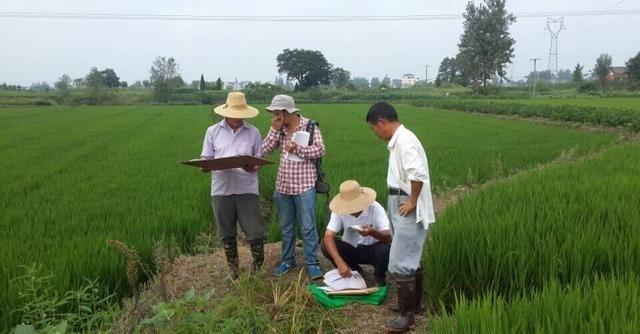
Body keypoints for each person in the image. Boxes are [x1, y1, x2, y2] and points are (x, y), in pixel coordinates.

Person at [366, 102, 435, 333]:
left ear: (382, 122)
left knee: (401, 259)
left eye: (373, 128)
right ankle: (414, 306)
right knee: (409, 256)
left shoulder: (405, 141)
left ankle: (407, 316)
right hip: (398, 201)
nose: (374, 133)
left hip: (407, 202)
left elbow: (417, 174)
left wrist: (413, 200)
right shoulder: (397, 142)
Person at [200, 92, 265, 279]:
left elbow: (258, 161)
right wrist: (205, 166)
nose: (238, 118)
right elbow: (206, 157)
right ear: (226, 113)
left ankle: (258, 266)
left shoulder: (253, 132)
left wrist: (252, 165)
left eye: (241, 114)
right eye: (235, 114)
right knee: (226, 232)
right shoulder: (212, 132)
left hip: (247, 188)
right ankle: (233, 270)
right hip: (221, 188)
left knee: (254, 230)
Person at [262, 95, 325, 279]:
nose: (275, 116)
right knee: (286, 227)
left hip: (304, 186)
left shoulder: (310, 126)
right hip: (283, 187)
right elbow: (263, 149)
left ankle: (312, 263)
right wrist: (273, 130)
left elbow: (320, 149)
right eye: (274, 113)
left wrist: (297, 148)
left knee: (307, 226)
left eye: (277, 112)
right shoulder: (278, 130)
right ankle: (287, 260)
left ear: (287, 112)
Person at [321, 180, 391, 286]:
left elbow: (388, 236)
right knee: (325, 246)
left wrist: (373, 232)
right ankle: (353, 270)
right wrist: (339, 261)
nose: (352, 210)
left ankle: (379, 276)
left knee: (384, 251)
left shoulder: (375, 207)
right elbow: (328, 236)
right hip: (352, 248)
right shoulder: (339, 210)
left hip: (373, 249)